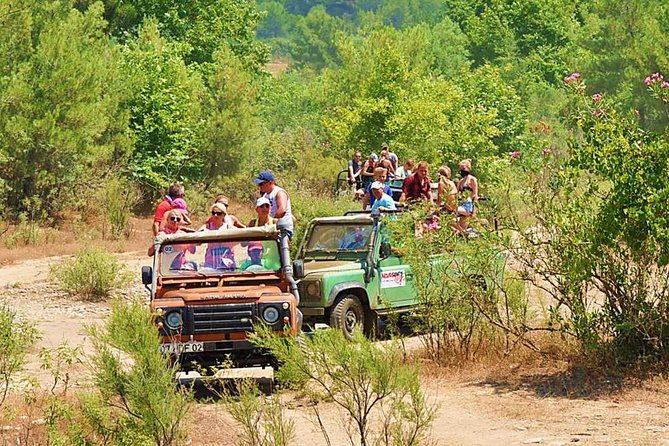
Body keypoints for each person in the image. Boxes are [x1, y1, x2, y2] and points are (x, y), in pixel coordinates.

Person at [254, 171, 294, 240]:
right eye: (259, 184)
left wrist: (271, 221)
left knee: (283, 248)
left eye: (261, 184)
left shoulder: (279, 192)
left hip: (282, 229)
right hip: (271, 228)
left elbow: (282, 210)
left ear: (270, 182)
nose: (259, 186)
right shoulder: (265, 195)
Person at [455, 159, 479, 234]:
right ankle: (464, 232)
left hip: (469, 206)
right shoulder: (460, 181)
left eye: (463, 169)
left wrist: (475, 210)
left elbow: (475, 195)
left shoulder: (472, 179)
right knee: (462, 227)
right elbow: (456, 194)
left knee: (453, 210)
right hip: (462, 204)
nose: (462, 171)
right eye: (460, 169)